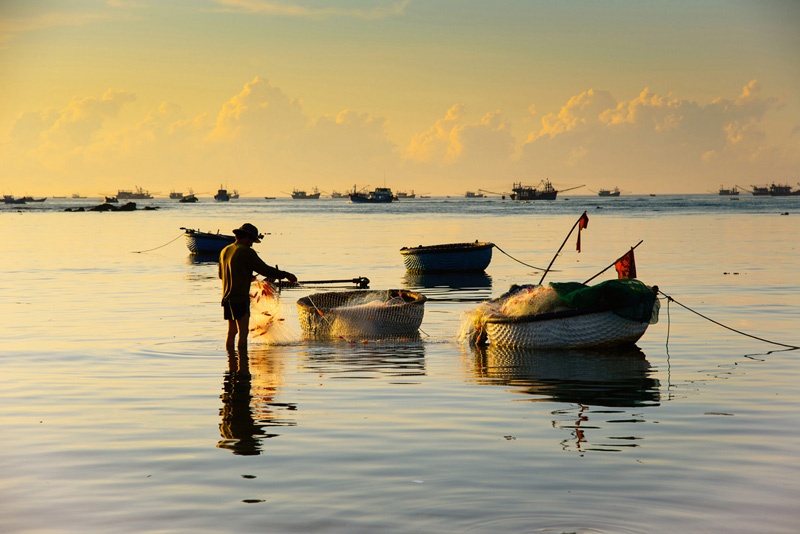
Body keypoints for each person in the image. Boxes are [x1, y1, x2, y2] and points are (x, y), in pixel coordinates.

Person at [219, 223, 297, 351]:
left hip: (227, 298)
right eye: (252, 241)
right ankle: (242, 366)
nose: (251, 244)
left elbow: (222, 275)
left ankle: (231, 362)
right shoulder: (246, 251)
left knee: (232, 332)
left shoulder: (225, 250)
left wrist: (246, 276)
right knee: (243, 333)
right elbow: (265, 269)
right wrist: (286, 274)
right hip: (240, 298)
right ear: (247, 237)